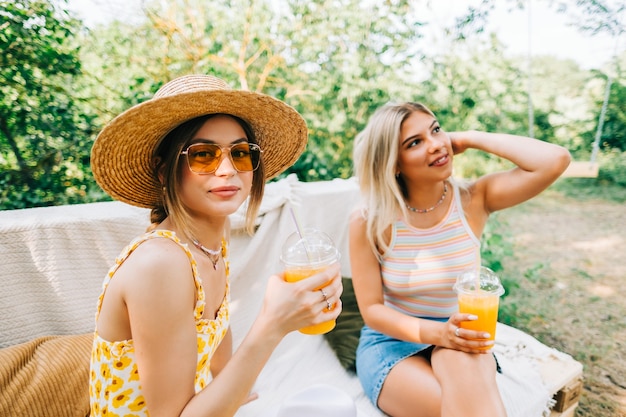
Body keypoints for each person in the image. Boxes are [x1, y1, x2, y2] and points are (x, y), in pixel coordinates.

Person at [88, 74, 343, 417]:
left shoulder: (208, 246)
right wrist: (273, 325)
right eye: (204, 155)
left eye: (240, 153)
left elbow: (219, 361)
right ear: (164, 172)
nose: (227, 170)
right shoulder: (160, 263)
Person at [348, 101, 571, 417]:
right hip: (393, 342)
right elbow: (372, 310)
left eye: (436, 130)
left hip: (464, 334)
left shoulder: (474, 199)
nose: (436, 145)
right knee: (467, 409)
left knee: (472, 406)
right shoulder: (370, 220)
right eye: (415, 143)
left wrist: (468, 138)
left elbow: (555, 160)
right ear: (393, 163)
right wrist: (439, 334)